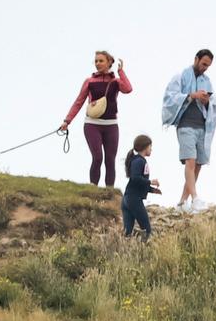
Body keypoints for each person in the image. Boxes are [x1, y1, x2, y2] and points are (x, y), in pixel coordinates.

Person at [59, 50, 133, 188]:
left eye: (101, 61)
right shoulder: (90, 81)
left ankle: (109, 192)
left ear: (109, 62)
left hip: (111, 125)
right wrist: (67, 121)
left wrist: (121, 72)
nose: (97, 63)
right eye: (96, 61)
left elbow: (128, 89)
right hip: (92, 125)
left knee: (110, 160)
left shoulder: (116, 82)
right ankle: (93, 189)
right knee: (98, 157)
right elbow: (79, 101)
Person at [161, 49, 216, 212]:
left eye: (208, 66)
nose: (205, 68)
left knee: (199, 163)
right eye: (203, 64)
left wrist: (206, 101)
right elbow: (169, 97)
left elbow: (214, 105)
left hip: (202, 127)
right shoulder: (181, 76)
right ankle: (195, 199)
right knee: (190, 161)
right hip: (185, 125)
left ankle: (182, 202)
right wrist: (191, 95)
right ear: (196, 59)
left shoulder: (207, 81)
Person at [122, 135, 159, 239]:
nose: (151, 149)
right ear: (145, 147)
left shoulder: (137, 160)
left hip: (127, 198)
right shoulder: (140, 161)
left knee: (127, 233)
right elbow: (135, 178)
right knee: (146, 229)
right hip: (134, 200)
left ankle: (125, 252)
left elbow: (138, 183)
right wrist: (150, 181)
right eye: (150, 146)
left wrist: (151, 189)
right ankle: (145, 251)